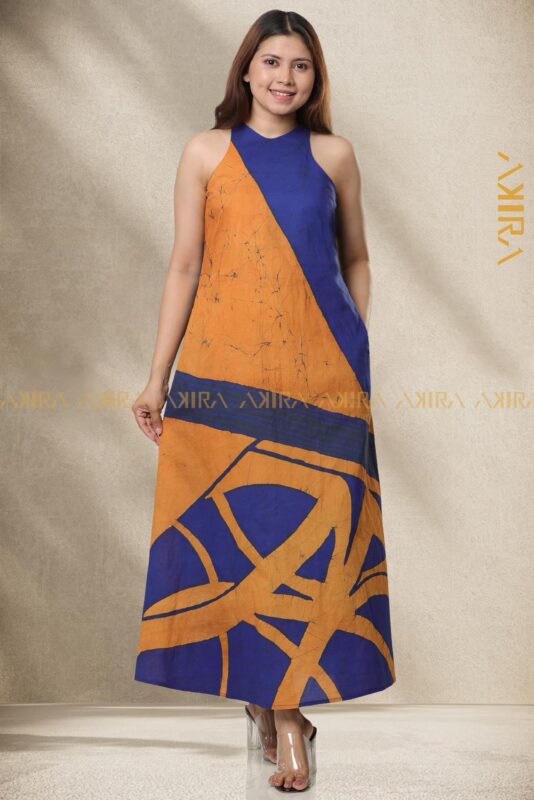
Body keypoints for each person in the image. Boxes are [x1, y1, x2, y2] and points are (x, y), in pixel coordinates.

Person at [131, 9, 396, 793]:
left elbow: (357, 258)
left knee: (311, 539)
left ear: (316, 79)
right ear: (245, 70)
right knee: (244, 531)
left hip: (323, 376)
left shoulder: (335, 155)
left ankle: (286, 719)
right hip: (221, 375)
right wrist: (157, 377)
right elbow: (184, 266)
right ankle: (279, 711)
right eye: (272, 62)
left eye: (301, 66)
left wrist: (350, 342)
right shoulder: (204, 152)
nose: (285, 77)